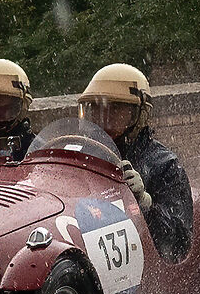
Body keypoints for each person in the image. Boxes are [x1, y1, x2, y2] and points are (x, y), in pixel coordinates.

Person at [78, 63, 193, 263]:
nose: (104, 118)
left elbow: (178, 245)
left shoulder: (165, 165)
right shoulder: (81, 156)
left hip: (147, 269)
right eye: (97, 108)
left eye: (115, 109)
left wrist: (144, 201)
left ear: (140, 114)